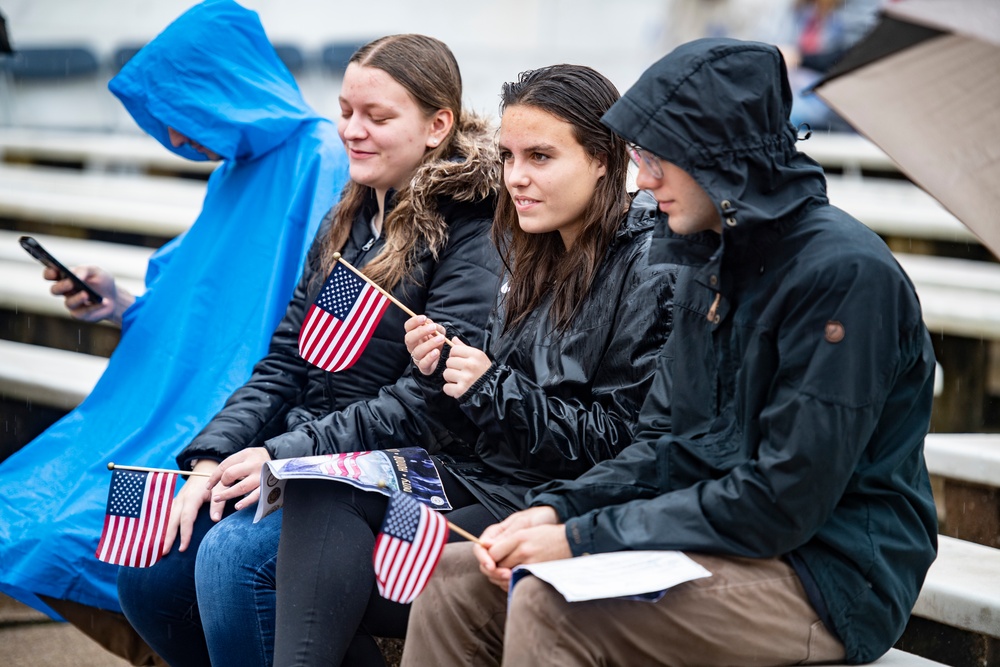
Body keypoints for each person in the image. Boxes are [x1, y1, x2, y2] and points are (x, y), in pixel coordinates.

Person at [402, 38, 938, 667]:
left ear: (722, 157)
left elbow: (783, 500)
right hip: (713, 535)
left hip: (829, 571)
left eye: (661, 160)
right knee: (454, 577)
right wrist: (557, 508)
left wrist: (579, 537)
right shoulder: (708, 259)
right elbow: (663, 442)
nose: (645, 180)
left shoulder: (844, 275)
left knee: (550, 604)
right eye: (641, 157)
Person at [265, 63, 677, 667]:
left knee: (313, 585)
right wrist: (443, 374)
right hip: (486, 472)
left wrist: (488, 386)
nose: (515, 178)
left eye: (540, 157)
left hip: (555, 499)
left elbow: (619, 443)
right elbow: (480, 404)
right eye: (508, 157)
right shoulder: (527, 247)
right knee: (324, 486)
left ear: (604, 160)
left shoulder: (647, 266)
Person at [115, 33, 503, 667]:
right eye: (346, 110)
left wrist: (278, 455)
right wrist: (212, 459)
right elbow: (285, 364)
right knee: (150, 571)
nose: (353, 130)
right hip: (307, 454)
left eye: (378, 117)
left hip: (395, 471)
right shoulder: (348, 217)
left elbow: (425, 403)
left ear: (438, 126)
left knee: (233, 558)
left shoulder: (471, 226)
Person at [0, 0, 348, 664]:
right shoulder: (234, 173)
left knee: (70, 525)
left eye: (183, 117)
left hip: (233, 416)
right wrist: (119, 301)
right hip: (184, 406)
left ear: (225, 89)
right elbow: (201, 301)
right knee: (23, 510)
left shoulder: (319, 158)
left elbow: (297, 319)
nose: (178, 140)